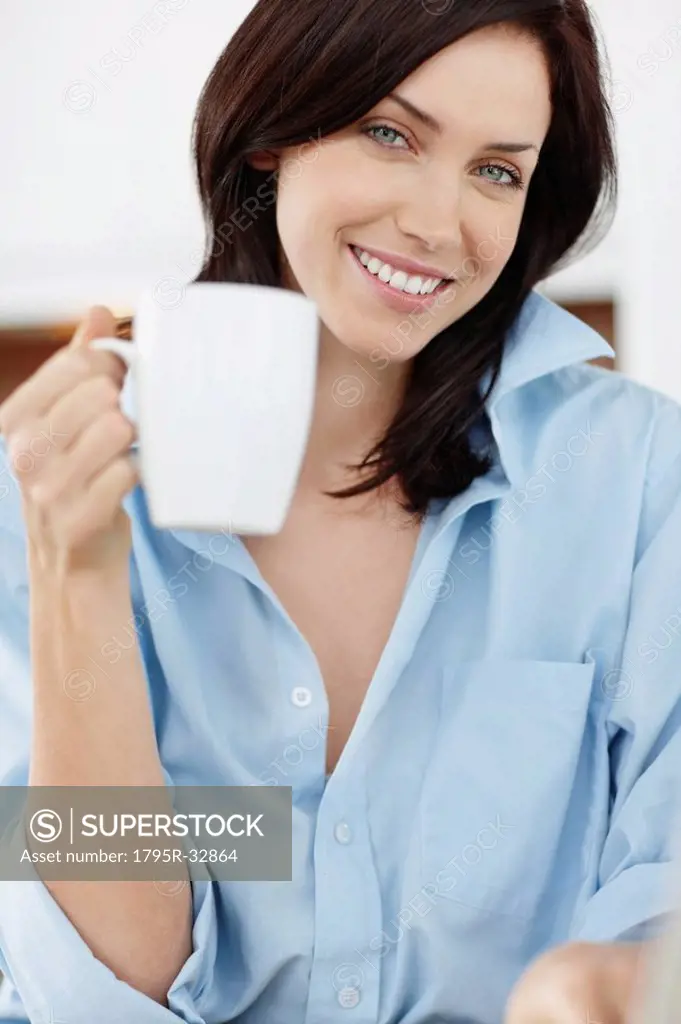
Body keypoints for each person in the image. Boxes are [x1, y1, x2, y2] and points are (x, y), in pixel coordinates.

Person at [0, 0, 680, 1020]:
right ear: (274, 132)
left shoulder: (631, 475)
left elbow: (659, 886)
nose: (438, 222)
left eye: (496, 170)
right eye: (390, 133)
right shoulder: (55, 488)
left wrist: (607, 979)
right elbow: (105, 992)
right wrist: (79, 574)